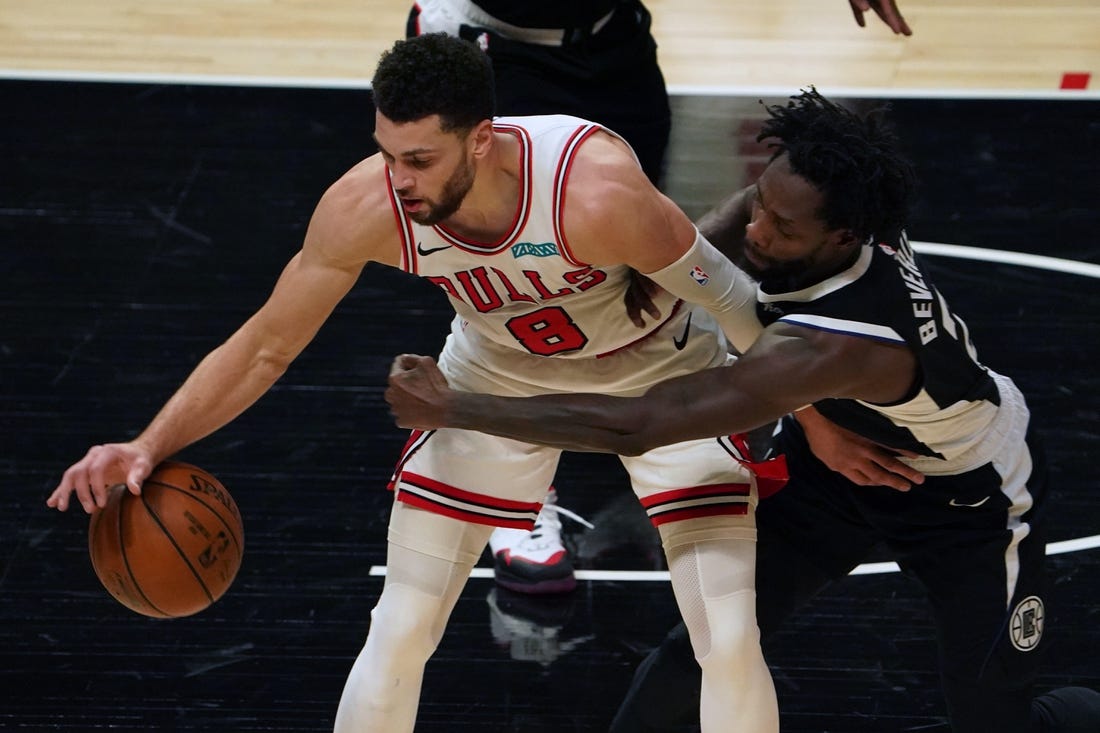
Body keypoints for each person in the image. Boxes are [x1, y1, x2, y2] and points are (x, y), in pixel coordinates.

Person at [48, 33, 786, 733]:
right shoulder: (368, 206)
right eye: (387, 154)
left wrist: (812, 414)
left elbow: (727, 296)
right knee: (400, 624)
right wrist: (150, 443)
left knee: (726, 632)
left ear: (481, 138)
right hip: (496, 368)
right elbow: (267, 345)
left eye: (420, 159)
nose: (398, 178)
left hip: (657, 366)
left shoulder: (591, 189)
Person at [385, 88, 1100, 732]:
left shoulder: (826, 348)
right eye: (761, 201)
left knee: (993, 719)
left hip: (965, 500)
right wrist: (670, 263)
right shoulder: (842, 203)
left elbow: (642, 421)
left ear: (844, 237)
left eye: (782, 226)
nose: (759, 230)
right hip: (837, 471)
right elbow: (748, 215)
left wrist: (461, 406)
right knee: (705, 645)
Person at [406, 0, 915, 595]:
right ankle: (518, 489)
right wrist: (813, 413)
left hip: (608, 40)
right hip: (500, 44)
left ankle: (646, 410)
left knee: (630, 242)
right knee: (516, 264)